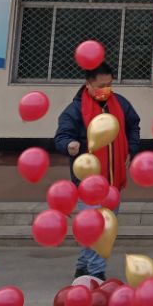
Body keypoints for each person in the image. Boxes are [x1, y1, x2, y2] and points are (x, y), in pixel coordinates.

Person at [55, 62, 141, 281]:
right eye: (101, 86)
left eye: (109, 85)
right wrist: (69, 145)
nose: (106, 90)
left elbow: (133, 125)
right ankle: (96, 273)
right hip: (88, 183)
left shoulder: (120, 104)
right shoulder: (75, 110)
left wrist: (131, 149)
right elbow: (61, 136)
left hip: (114, 180)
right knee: (98, 228)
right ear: (88, 84)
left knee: (100, 228)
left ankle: (82, 267)